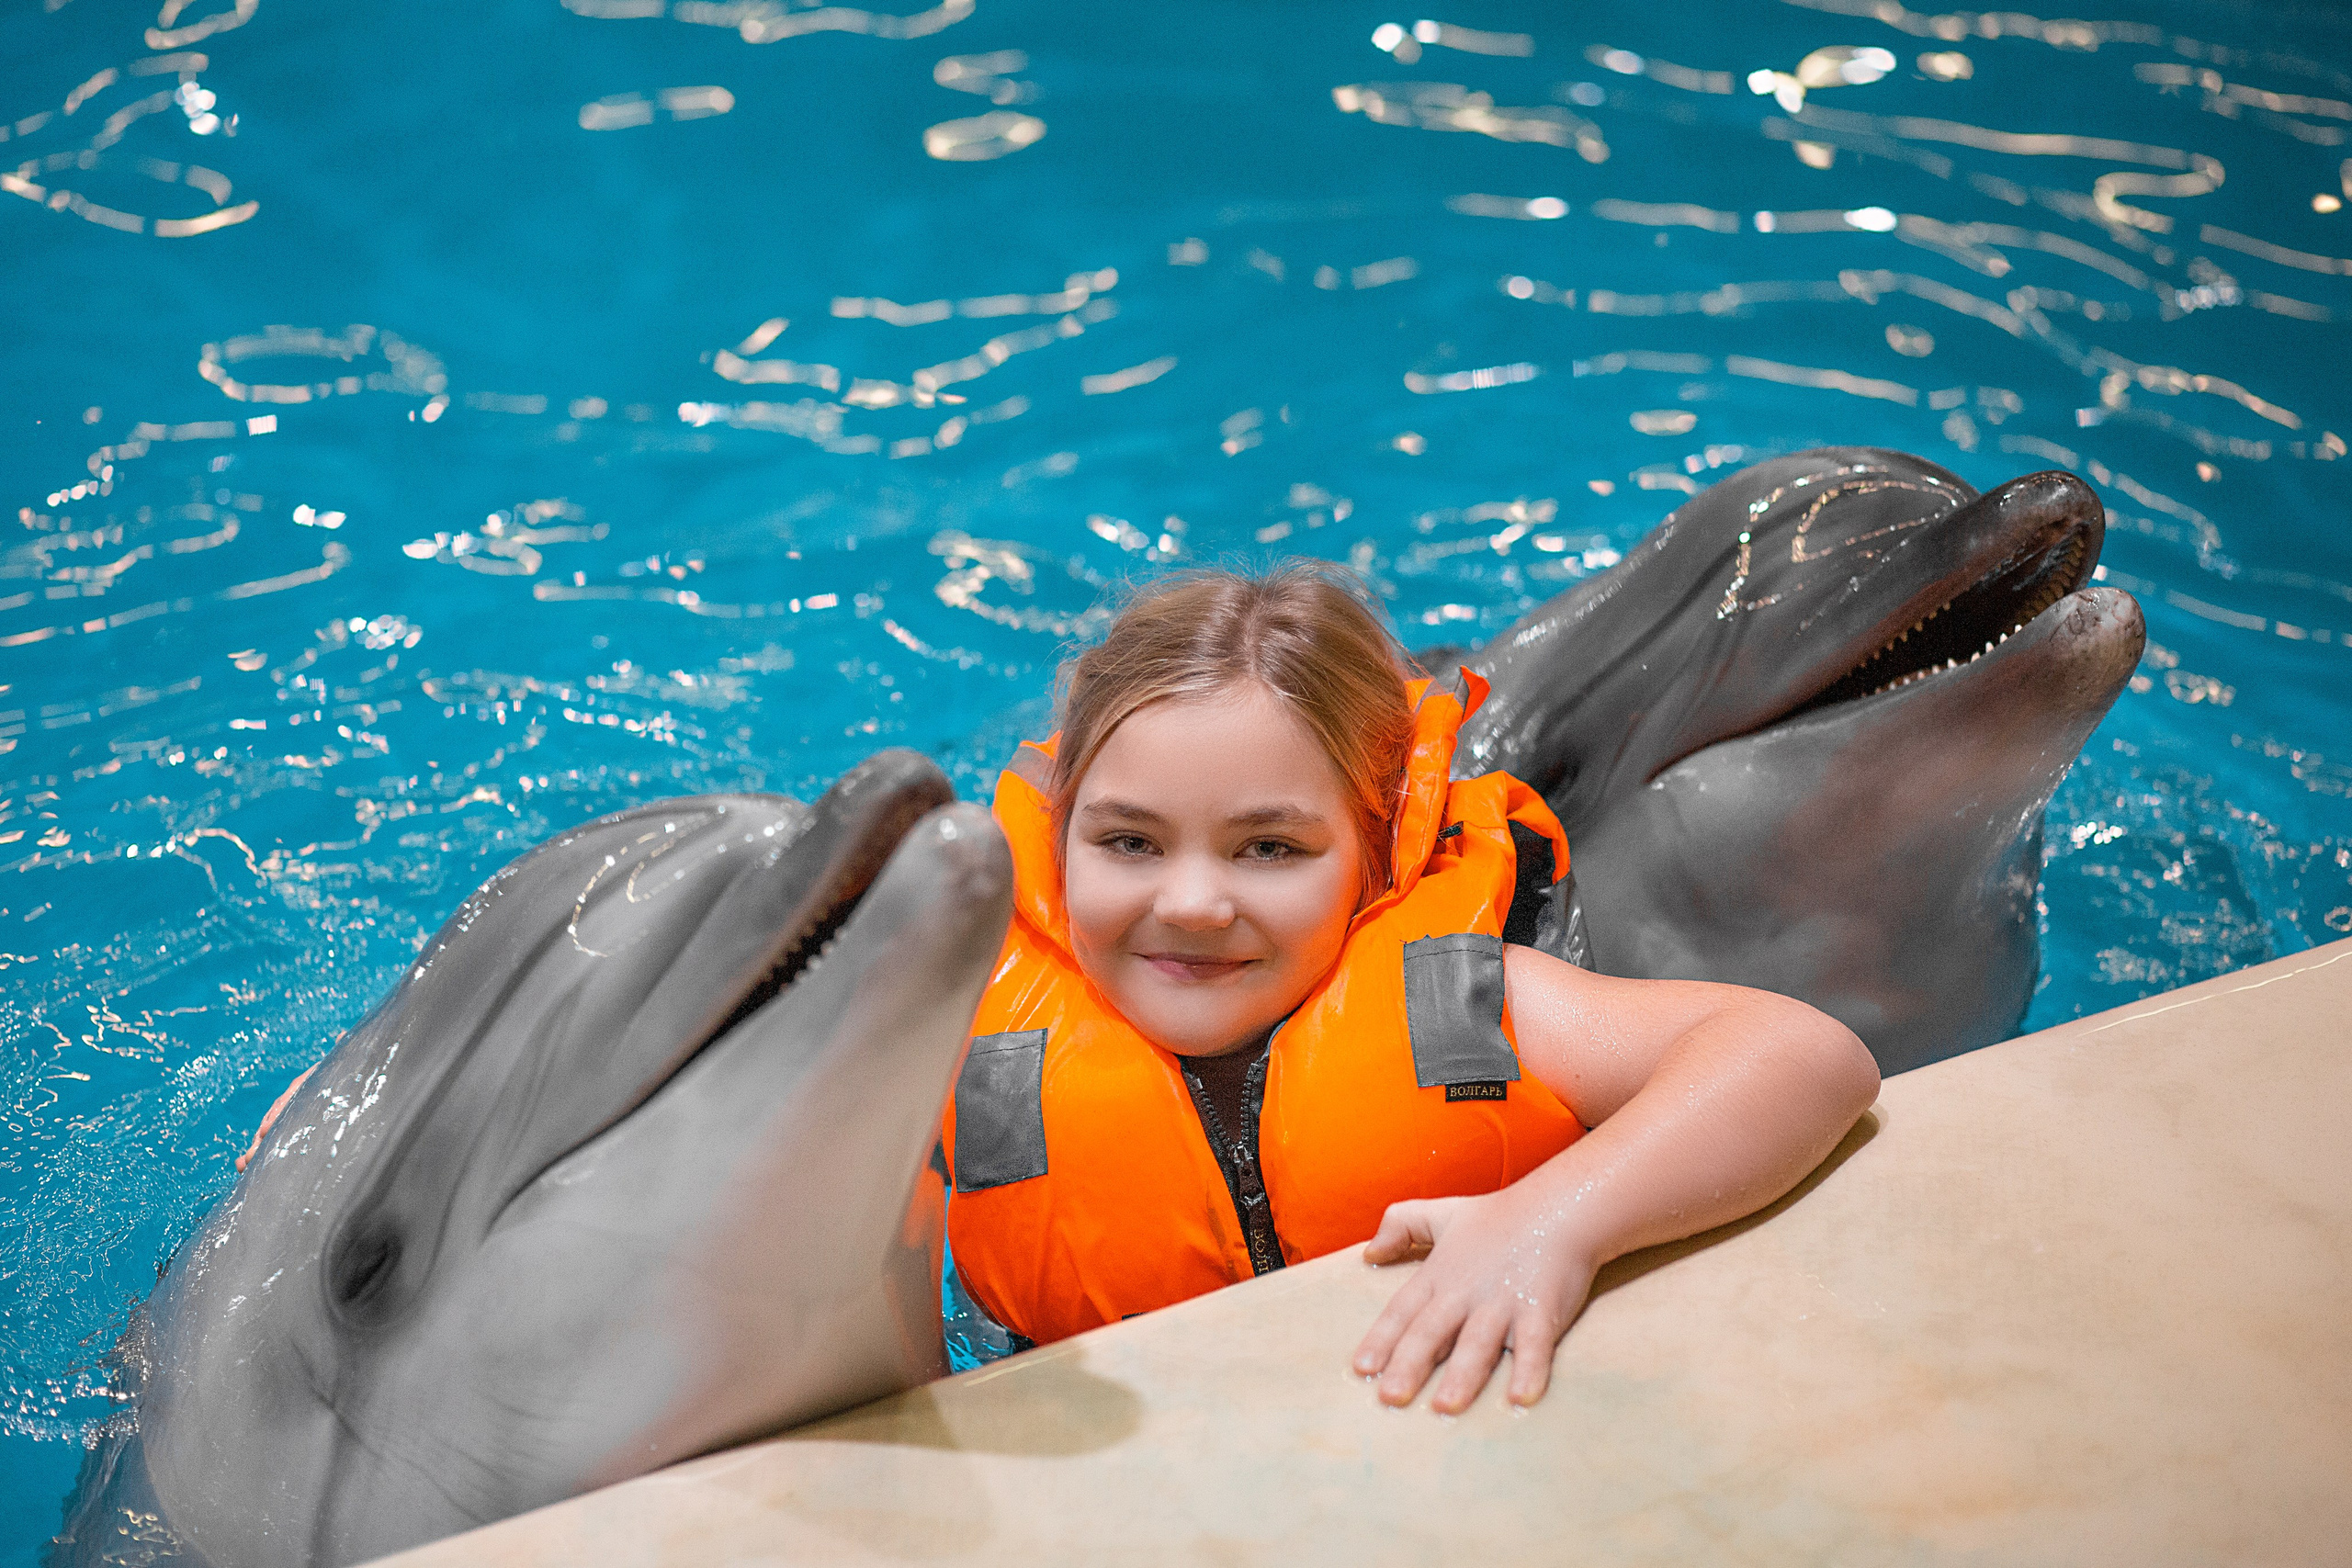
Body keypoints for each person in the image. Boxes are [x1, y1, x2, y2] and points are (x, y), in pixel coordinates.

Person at [941, 564, 1880, 1414]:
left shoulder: (1469, 1011)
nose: (1189, 903)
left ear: (1377, 854)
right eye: (1129, 842)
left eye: (1270, 848)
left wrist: (1551, 1223)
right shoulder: (963, 1050)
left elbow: (1802, 1057)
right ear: (1059, 845)